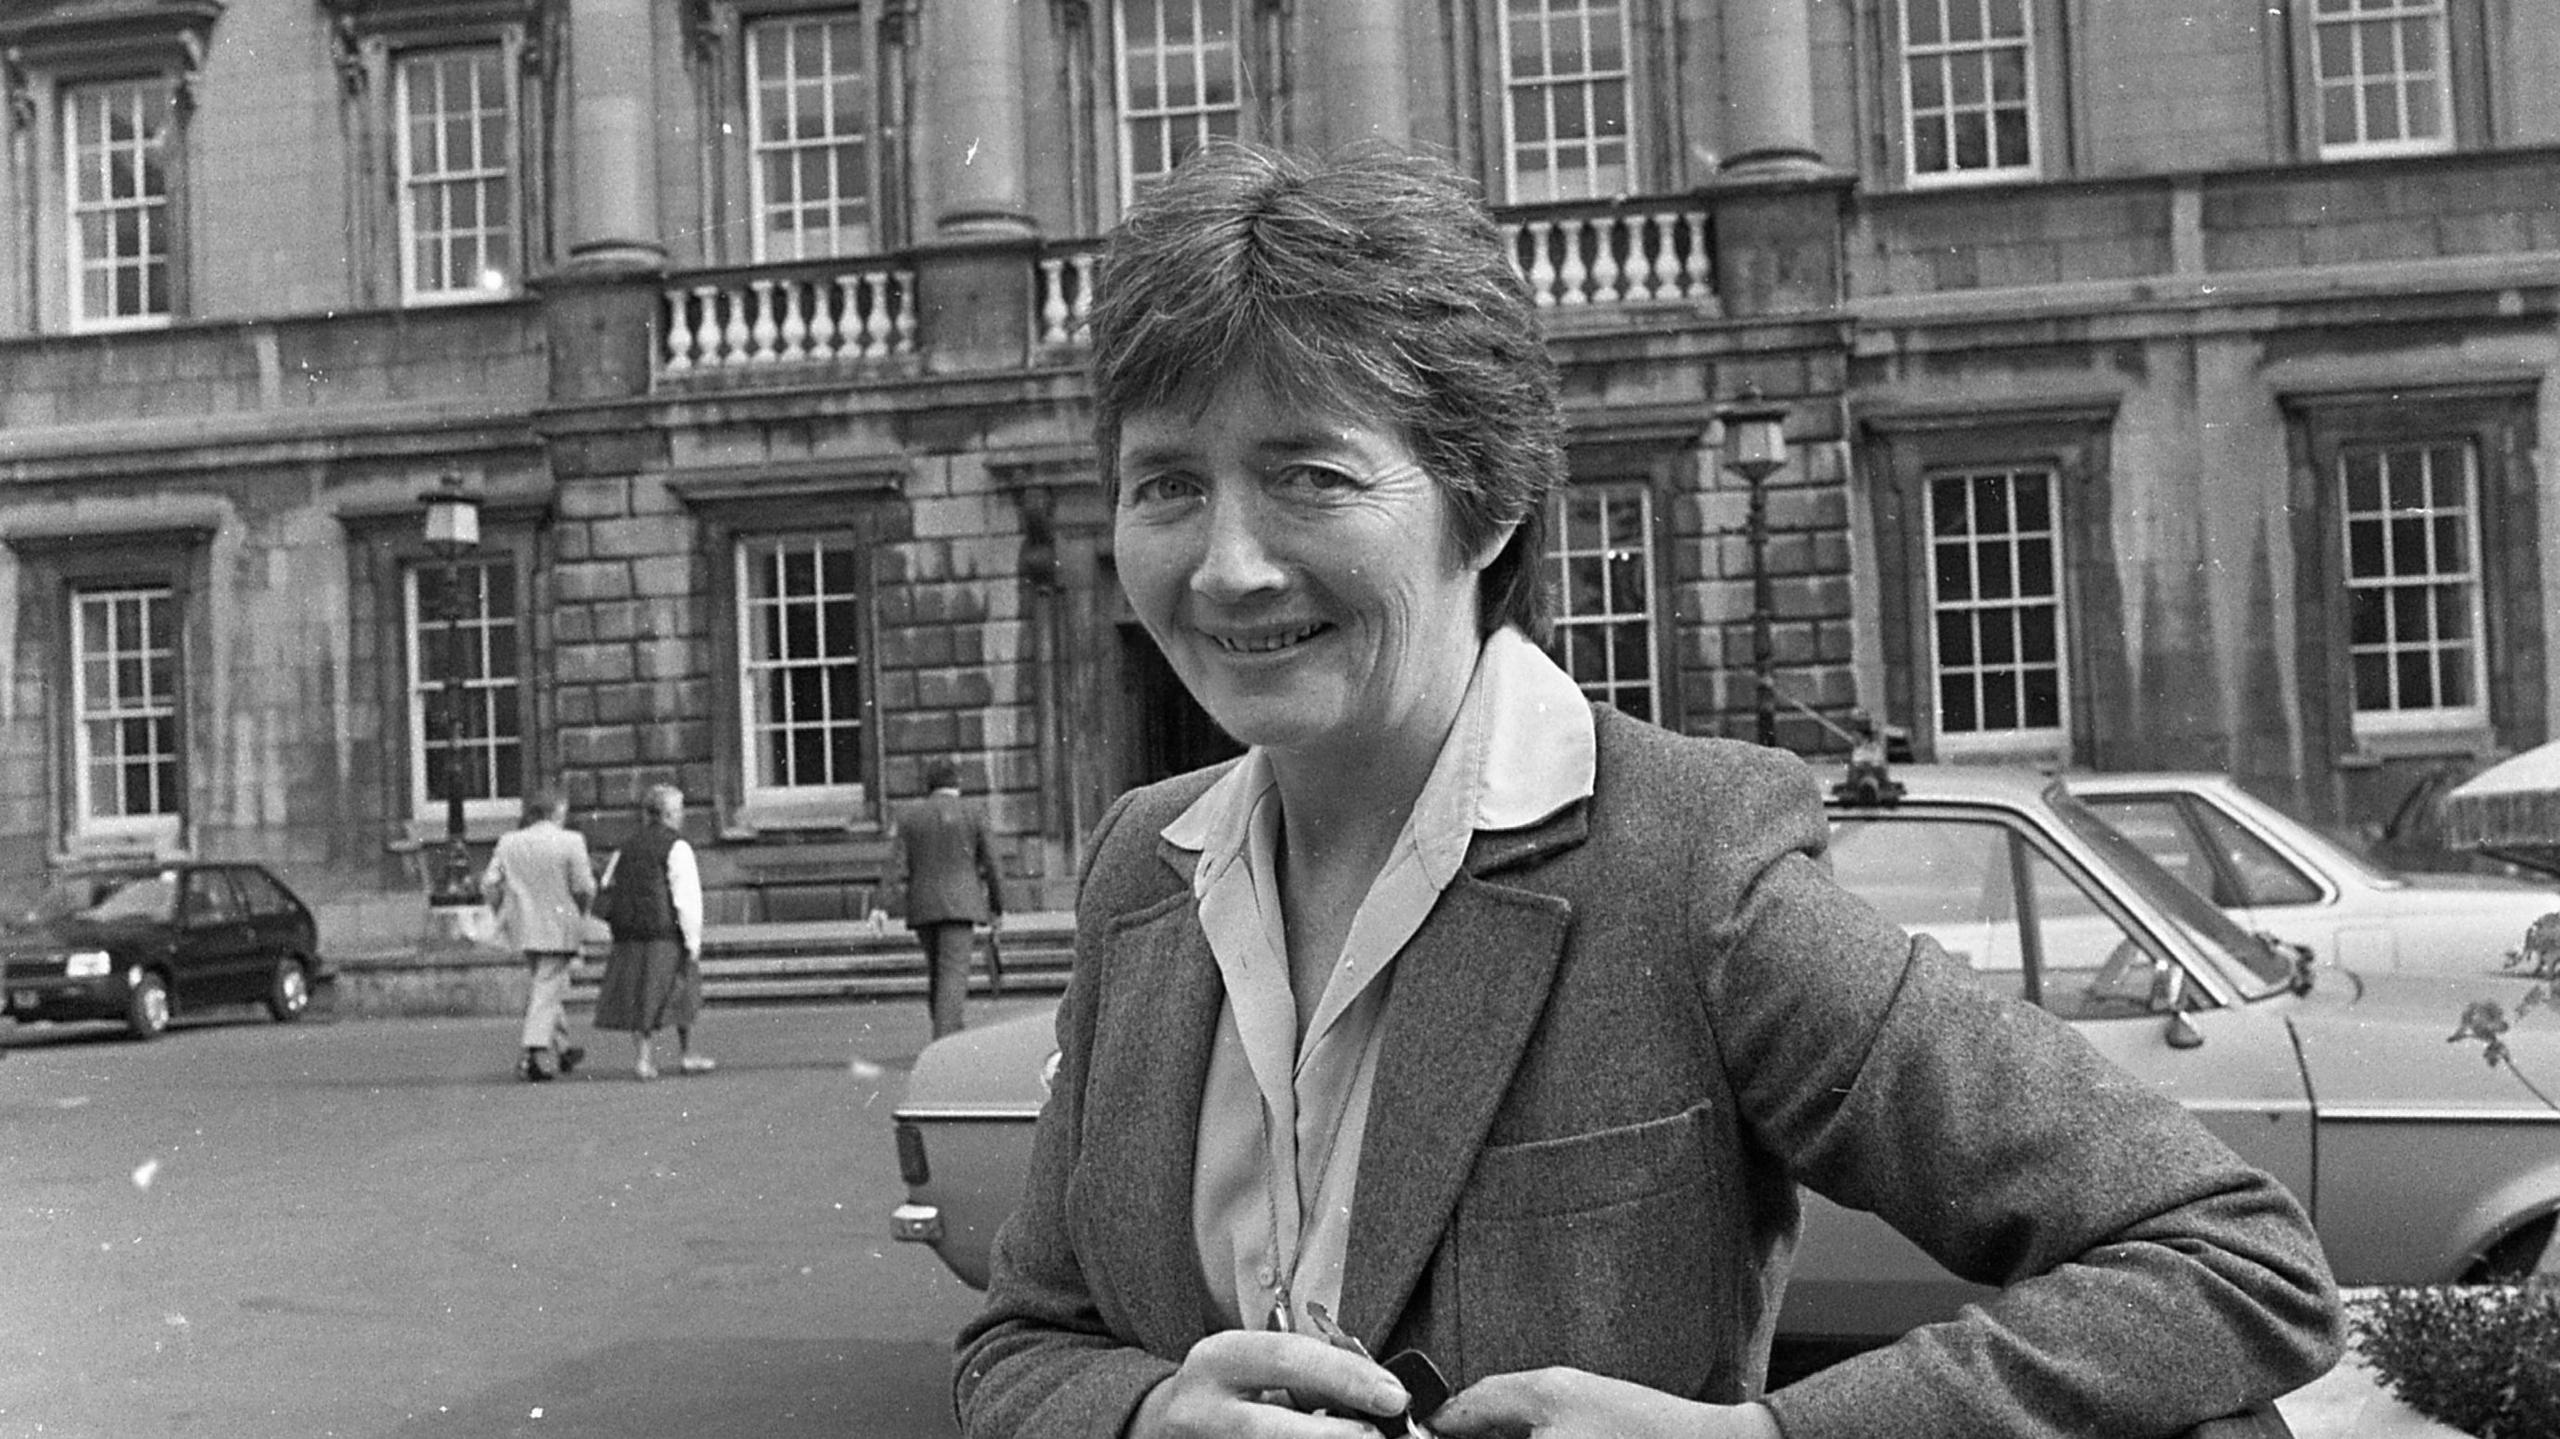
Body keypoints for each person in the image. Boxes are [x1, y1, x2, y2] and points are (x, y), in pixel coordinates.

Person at [954, 142, 2342, 1439]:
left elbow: (2228, 1253)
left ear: (1486, 502)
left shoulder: (1685, 860)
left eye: (1307, 474)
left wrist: (1772, 1434)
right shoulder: (1145, 860)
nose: (1226, 564)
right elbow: (1023, 1336)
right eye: (1167, 485)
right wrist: (1143, 1413)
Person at [591, 783, 713, 1081]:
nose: (682, 815)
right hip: (665, 931)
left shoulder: (626, 846)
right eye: (680, 810)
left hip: (629, 933)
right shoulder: (677, 846)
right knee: (682, 992)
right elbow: (687, 898)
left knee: (640, 995)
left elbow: (607, 887)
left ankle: (644, 1059)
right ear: (670, 814)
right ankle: (686, 1055)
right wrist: (693, 939)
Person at [884, 756, 1007, 1040]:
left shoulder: (911, 816)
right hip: (962, 906)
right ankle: (944, 1039)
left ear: (929, 784)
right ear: (958, 782)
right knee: (953, 974)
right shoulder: (973, 812)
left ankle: (948, 1030)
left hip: (923, 906)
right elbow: (993, 866)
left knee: (938, 974)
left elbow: (895, 865)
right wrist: (998, 909)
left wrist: (881, 906)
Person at [481, 789, 597, 1082]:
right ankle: (531, 1053)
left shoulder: (509, 842)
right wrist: (580, 913)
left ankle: (564, 1047)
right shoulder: (571, 841)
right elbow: (585, 887)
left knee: (545, 986)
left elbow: (490, 883)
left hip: (524, 926)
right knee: (547, 987)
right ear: (557, 811)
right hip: (559, 925)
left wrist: (503, 913)